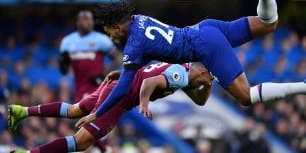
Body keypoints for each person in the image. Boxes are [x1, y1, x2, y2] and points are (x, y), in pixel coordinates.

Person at [82, 0, 306, 125]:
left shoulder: (133, 44)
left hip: (203, 46)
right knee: (269, 23)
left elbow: (125, 86)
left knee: (246, 97)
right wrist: (124, 70)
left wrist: (97, 113)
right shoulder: (137, 19)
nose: (110, 36)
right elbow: (146, 55)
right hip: (205, 28)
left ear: (118, 27)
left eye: (109, 31)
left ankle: (305, 86)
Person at [9, 62, 214, 153]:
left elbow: (200, 101)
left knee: (74, 110)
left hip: (116, 86)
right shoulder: (180, 75)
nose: (205, 84)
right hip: (120, 98)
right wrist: (143, 104)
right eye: (208, 79)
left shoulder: (183, 72)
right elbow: (148, 83)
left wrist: (209, 85)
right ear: (203, 72)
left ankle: (22, 111)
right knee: (81, 143)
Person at [59, 10, 114, 102]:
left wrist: (104, 75)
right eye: (85, 19)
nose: (89, 22)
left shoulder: (101, 39)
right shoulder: (67, 41)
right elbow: (64, 71)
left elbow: (117, 58)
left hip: (97, 87)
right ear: (77, 22)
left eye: (91, 19)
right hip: (78, 89)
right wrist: (62, 62)